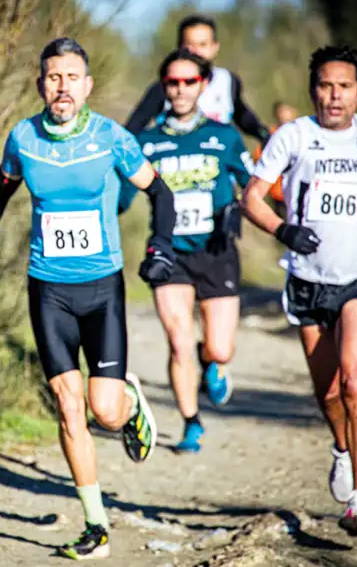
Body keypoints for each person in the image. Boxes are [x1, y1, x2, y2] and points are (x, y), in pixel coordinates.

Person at [0, 37, 176, 560]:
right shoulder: (23, 138)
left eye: (72, 76)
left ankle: (129, 403)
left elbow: (161, 192)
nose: (62, 86)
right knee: (70, 409)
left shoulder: (110, 138)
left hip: (102, 290)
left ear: (87, 85)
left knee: (105, 412)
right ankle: (95, 526)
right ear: (41, 84)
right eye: (53, 77)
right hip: (48, 289)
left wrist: (160, 247)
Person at [242, 46, 357, 536]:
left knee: (355, 381)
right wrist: (284, 231)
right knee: (329, 393)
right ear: (312, 90)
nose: (334, 95)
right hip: (306, 279)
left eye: (344, 86)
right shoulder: (293, 136)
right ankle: (341, 448)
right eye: (324, 85)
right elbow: (251, 197)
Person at [121, 49, 252, 453]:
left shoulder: (225, 135)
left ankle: (211, 359)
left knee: (220, 348)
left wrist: (236, 208)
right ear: (163, 87)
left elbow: (253, 186)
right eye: (172, 83)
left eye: (189, 82)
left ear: (203, 85)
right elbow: (122, 197)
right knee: (177, 340)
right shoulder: (146, 142)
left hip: (216, 251)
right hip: (169, 253)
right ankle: (191, 423)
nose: (180, 90)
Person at [124, 14, 270, 144]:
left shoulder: (228, 81)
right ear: (179, 47)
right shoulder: (166, 87)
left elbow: (243, 116)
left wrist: (265, 135)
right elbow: (132, 129)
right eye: (189, 44)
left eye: (203, 44)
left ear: (215, 47)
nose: (196, 51)